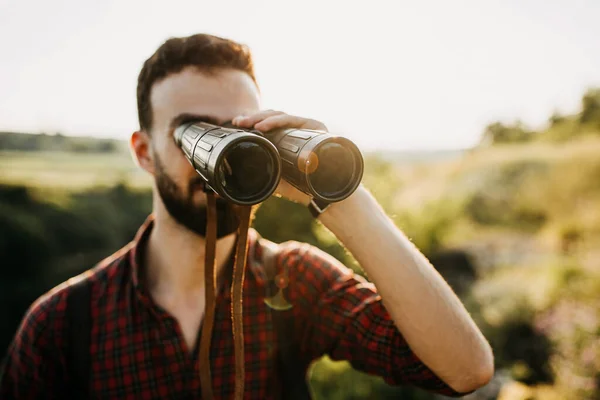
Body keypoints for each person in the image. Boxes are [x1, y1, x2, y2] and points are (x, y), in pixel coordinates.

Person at [0, 33, 494, 399]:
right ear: (145, 152)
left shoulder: (290, 280)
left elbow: (464, 369)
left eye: (241, 134)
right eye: (195, 137)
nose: (225, 161)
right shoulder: (62, 325)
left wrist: (339, 192)